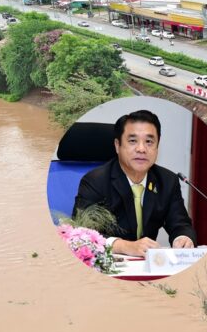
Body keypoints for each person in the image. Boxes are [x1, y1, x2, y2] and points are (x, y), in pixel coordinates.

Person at [73, 110, 197, 257]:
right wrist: (123, 246)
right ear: (117, 145)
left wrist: (183, 238)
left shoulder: (167, 181)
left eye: (149, 142)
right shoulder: (95, 181)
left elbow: (181, 224)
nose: (141, 149)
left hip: (147, 267)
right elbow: (82, 234)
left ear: (157, 146)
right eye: (132, 141)